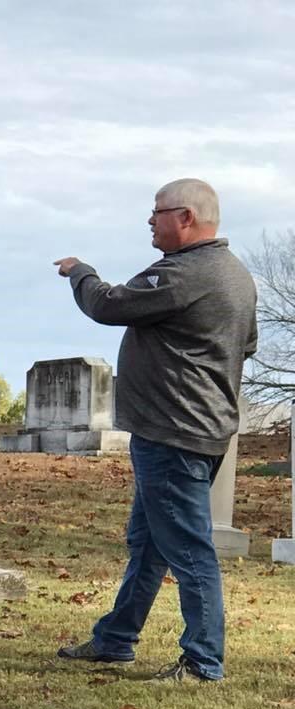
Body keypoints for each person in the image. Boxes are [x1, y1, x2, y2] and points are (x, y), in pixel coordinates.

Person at [53, 178, 257, 682]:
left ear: (185, 218)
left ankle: (203, 661)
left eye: (157, 211)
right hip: (201, 429)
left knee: (188, 548)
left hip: (173, 433)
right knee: (149, 543)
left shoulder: (185, 273)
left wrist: (81, 272)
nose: (150, 219)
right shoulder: (235, 275)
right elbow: (245, 346)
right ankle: (116, 639)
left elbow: (108, 305)